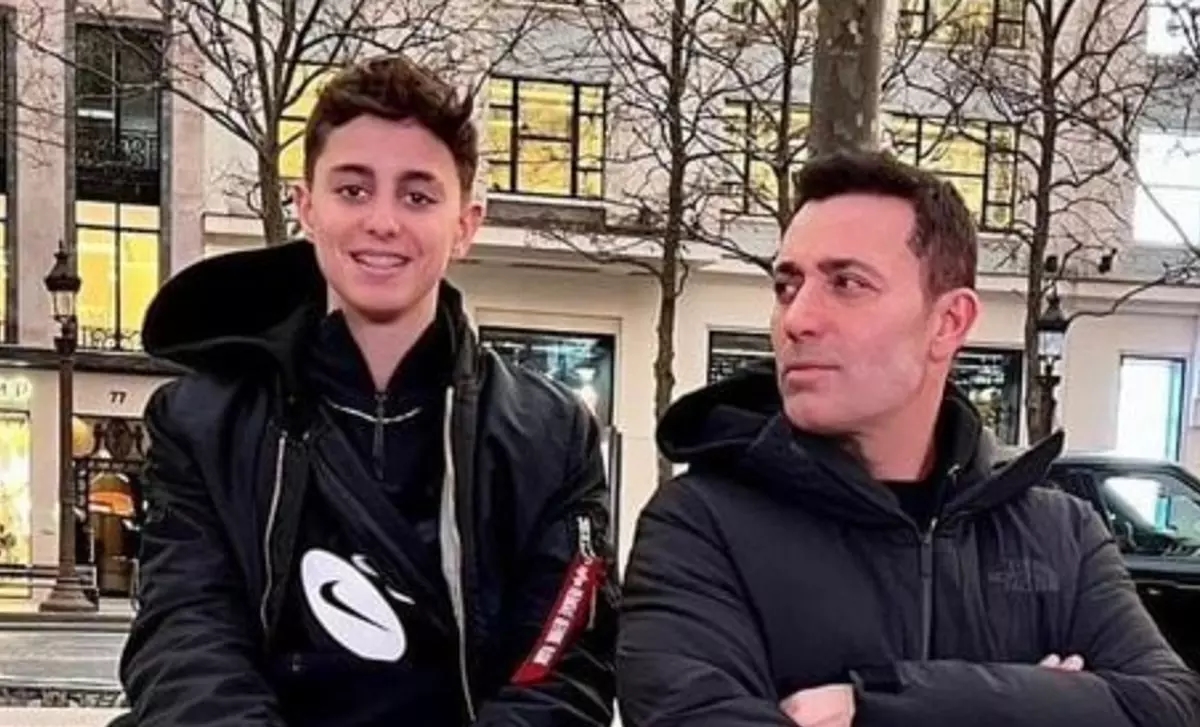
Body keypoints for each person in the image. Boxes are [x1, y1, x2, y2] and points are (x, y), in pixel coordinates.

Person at [114, 55, 616, 727]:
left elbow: (560, 667)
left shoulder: (553, 436)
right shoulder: (202, 422)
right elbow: (186, 642)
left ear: (466, 224)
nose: (382, 220)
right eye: (353, 190)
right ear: (306, 206)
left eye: (417, 196)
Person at [616, 151, 1200, 727]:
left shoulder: (1060, 535)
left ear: (948, 322)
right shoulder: (699, 527)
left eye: (847, 283)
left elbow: (1168, 707)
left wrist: (881, 704)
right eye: (787, 286)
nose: (797, 319)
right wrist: (1044, 702)